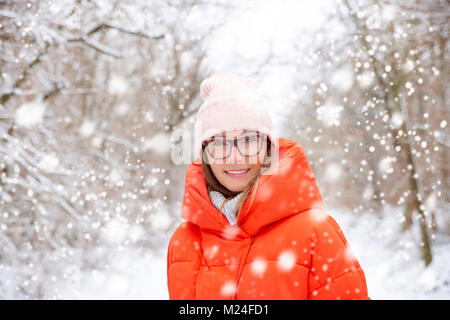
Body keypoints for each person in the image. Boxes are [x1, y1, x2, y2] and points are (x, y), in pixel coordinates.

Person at [166, 72, 369, 300]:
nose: (235, 157)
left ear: (268, 148)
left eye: (249, 140)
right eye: (219, 142)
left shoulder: (315, 233)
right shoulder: (184, 241)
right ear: (205, 154)